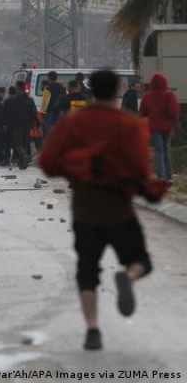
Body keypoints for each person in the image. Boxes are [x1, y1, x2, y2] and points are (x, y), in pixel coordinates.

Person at [40, 70, 167, 351]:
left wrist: (75, 170)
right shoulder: (129, 124)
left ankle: (92, 330)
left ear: (91, 90)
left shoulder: (72, 122)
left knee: (87, 270)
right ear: (118, 90)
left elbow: (47, 163)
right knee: (141, 260)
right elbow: (140, 170)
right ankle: (128, 276)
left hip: (84, 209)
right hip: (119, 210)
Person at [140, 72, 180, 183]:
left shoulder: (147, 96)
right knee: (166, 149)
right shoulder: (170, 96)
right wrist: (170, 119)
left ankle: (161, 176)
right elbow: (173, 111)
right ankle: (169, 176)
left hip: (154, 128)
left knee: (159, 150)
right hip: (167, 128)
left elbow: (142, 112)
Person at [3, 81, 37, 170]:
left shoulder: (11, 100)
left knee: (17, 143)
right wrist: (35, 123)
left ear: (18, 88)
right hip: (28, 124)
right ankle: (21, 162)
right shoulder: (30, 100)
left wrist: (6, 124)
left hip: (17, 124)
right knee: (25, 142)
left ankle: (24, 156)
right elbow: (34, 113)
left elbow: (9, 114)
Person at [42, 71, 66, 138]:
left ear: (49, 78)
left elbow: (44, 102)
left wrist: (42, 114)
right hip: (60, 112)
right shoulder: (62, 88)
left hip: (50, 112)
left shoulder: (48, 88)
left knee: (49, 132)